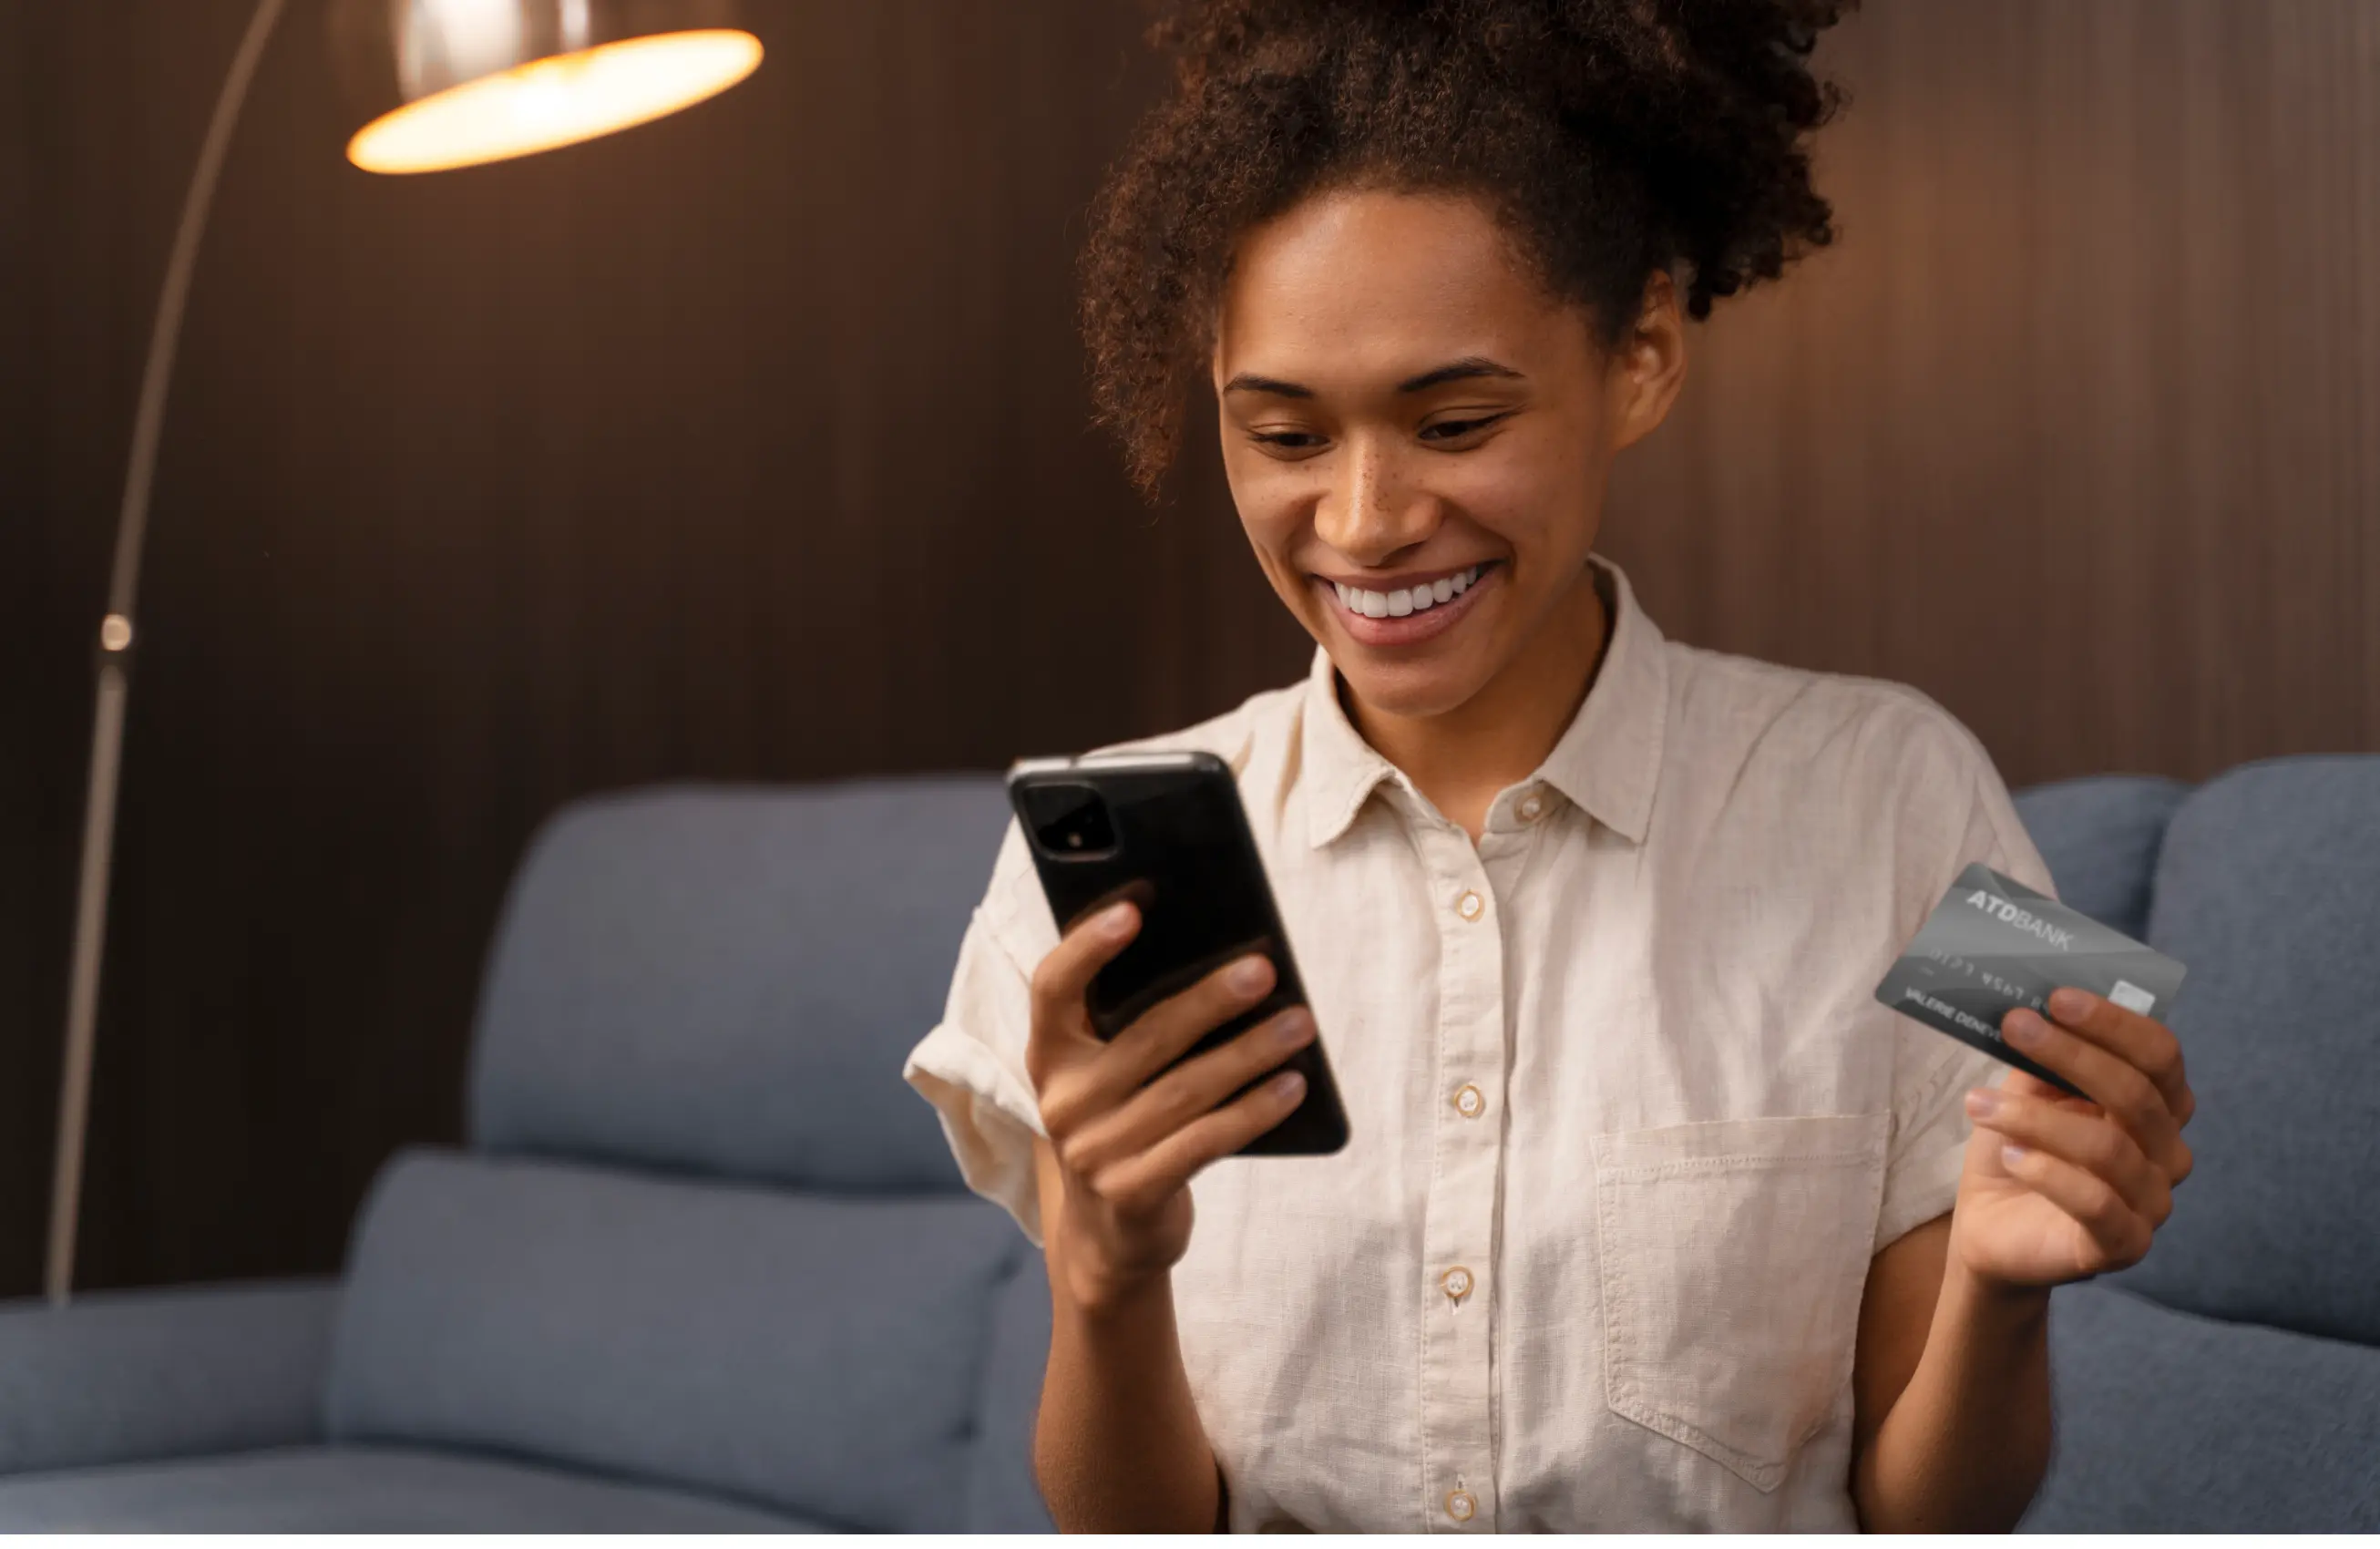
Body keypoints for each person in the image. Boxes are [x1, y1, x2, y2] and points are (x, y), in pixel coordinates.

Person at [902, 0, 2199, 1531]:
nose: (1368, 520)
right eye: (1286, 435)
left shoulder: (1897, 793)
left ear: (1642, 353)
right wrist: (1109, 1275)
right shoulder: (1101, 873)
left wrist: (2002, 1279)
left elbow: (1943, 1517)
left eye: (1455, 420)